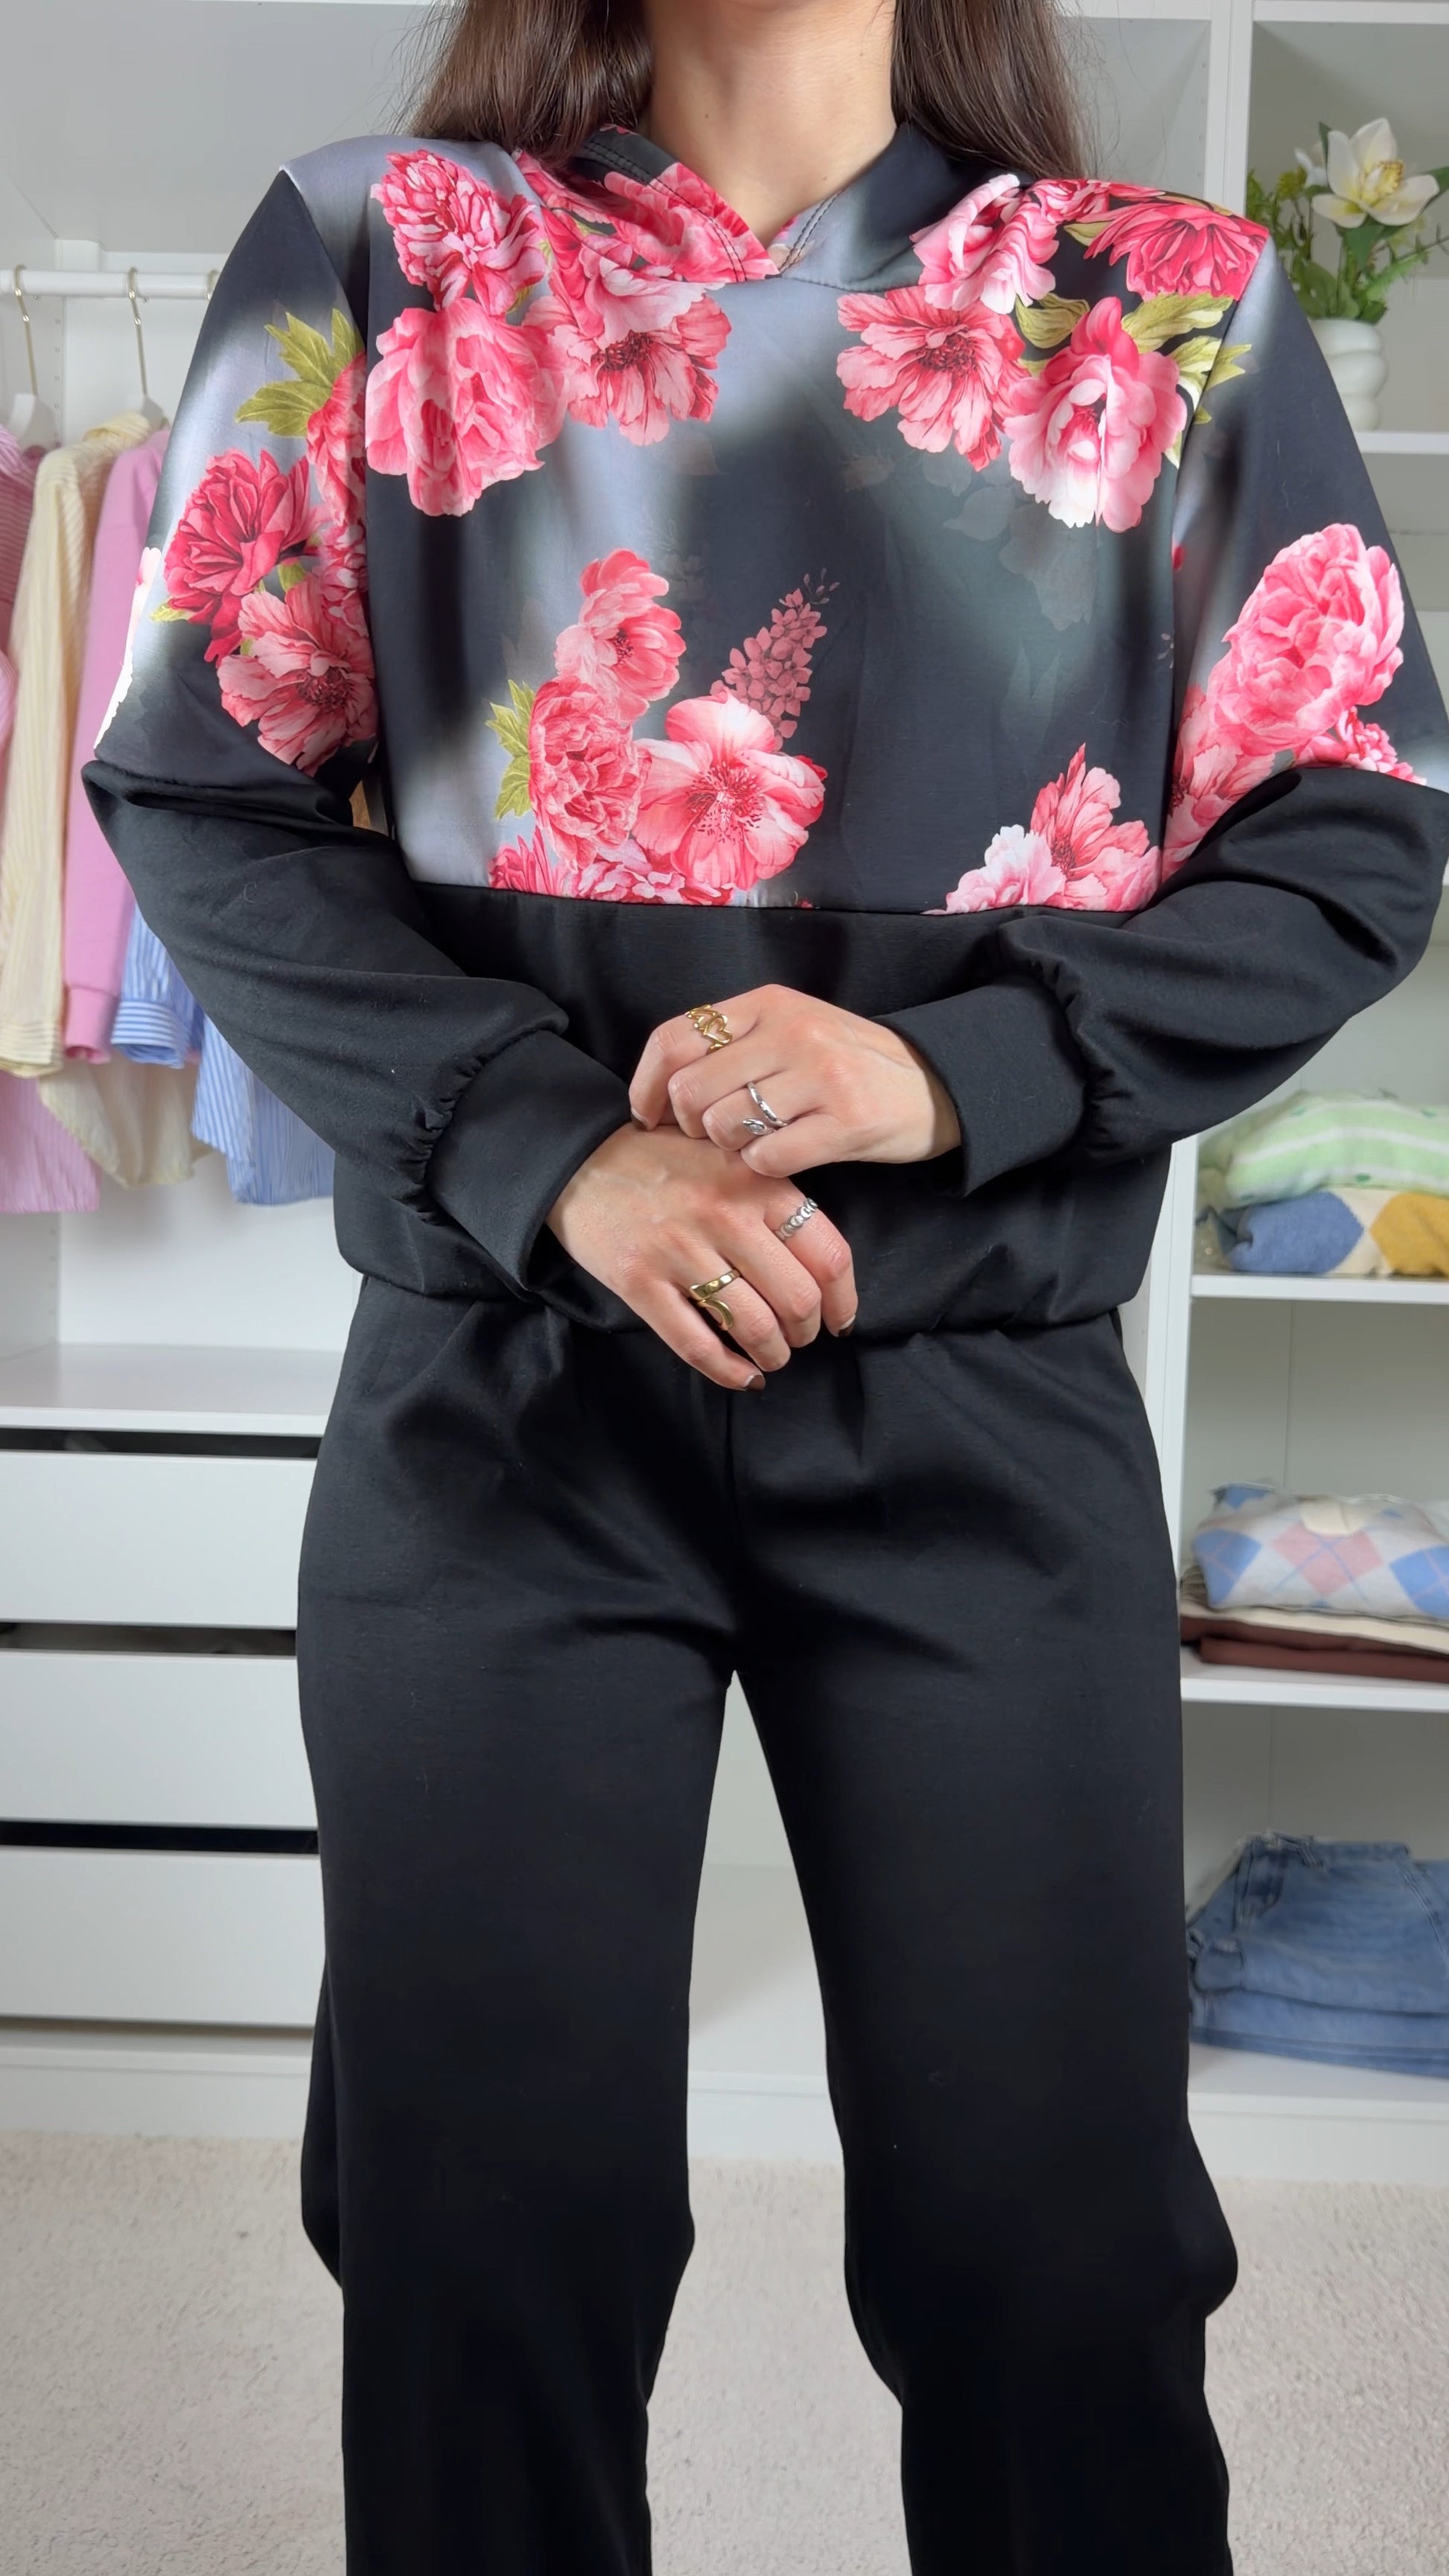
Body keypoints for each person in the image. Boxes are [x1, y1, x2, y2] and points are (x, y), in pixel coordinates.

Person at [83, 0, 1449, 2563]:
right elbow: (197, 785)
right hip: (501, 1403)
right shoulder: (378, 252)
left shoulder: (1167, 298)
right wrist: (554, 1152)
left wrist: (952, 1073)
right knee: (482, 2237)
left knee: (1056, 2256)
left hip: (981, 1405)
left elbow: (1353, 827)